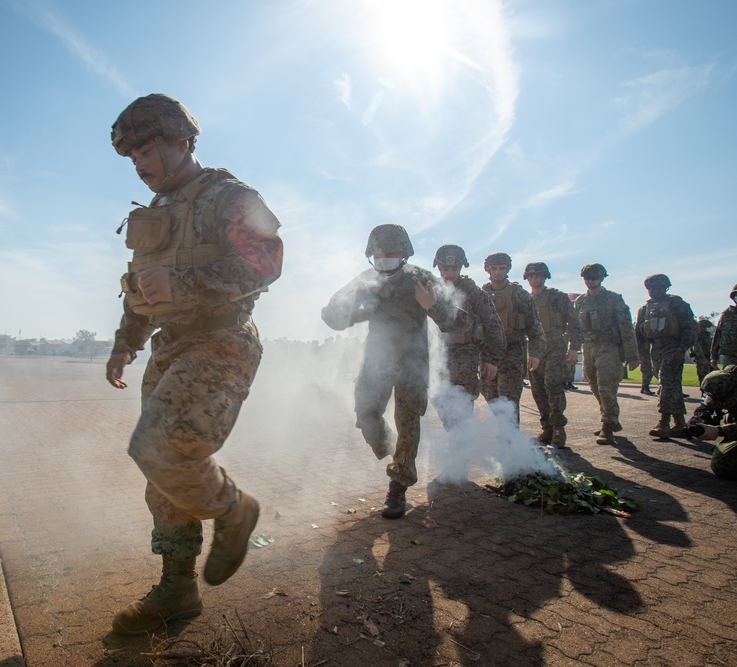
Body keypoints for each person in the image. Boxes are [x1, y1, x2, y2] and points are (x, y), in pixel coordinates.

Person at [104, 94, 284, 635]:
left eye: (148, 149)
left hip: (222, 342)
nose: (141, 164)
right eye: (132, 156)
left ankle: (234, 511)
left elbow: (267, 263)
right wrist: (126, 342)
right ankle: (177, 591)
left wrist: (183, 283)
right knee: (162, 474)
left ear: (183, 142)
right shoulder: (156, 215)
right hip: (170, 347)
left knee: (161, 448)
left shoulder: (228, 197)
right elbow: (140, 289)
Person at [322, 225, 467, 519]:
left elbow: (458, 321)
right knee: (366, 414)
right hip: (378, 358)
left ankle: (398, 486)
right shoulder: (366, 280)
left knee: (408, 421)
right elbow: (330, 315)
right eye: (377, 256)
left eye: (390, 255)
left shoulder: (422, 279)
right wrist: (359, 314)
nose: (383, 261)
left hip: (412, 362)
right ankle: (396, 451)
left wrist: (433, 306)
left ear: (405, 254)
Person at [431, 244, 506, 429]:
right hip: (438, 354)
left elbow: (493, 326)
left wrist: (492, 360)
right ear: (439, 268)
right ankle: (455, 436)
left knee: (462, 402)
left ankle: (461, 446)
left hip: (465, 353)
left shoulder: (474, 293)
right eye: (445, 269)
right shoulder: (432, 290)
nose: (449, 273)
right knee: (439, 397)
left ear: (461, 268)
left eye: (454, 269)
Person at [574, 263, 640, 445]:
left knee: (606, 386)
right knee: (594, 385)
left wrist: (632, 355)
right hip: (589, 347)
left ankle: (608, 425)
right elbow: (576, 328)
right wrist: (572, 348)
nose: (591, 281)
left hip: (609, 346)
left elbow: (626, 327)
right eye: (587, 278)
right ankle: (610, 418)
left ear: (602, 278)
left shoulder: (613, 299)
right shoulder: (581, 301)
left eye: (594, 277)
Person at [523, 262, 583, 448]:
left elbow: (574, 322)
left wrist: (574, 347)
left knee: (553, 386)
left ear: (545, 277)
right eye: (531, 276)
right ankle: (547, 427)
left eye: (538, 276)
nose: (535, 279)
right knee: (538, 389)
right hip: (535, 348)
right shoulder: (525, 298)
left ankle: (558, 429)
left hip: (556, 345)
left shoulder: (557, 297)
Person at [480, 252, 545, 422]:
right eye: (494, 268)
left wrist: (535, 353)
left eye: (502, 268)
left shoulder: (519, 295)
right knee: (490, 395)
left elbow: (534, 326)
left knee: (508, 400)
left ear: (508, 269)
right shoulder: (481, 294)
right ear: (488, 270)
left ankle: (510, 444)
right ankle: (506, 436)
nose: (498, 272)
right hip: (488, 353)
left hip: (513, 351)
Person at [634, 274, 696, 438]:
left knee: (666, 384)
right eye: (650, 288)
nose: (654, 291)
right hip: (656, 349)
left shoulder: (677, 304)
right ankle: (680, 423)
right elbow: (639, 334)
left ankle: (664, 423)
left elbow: (690, 328)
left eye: (658, 288)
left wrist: (681, 350)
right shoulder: (645, 309)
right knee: (671, 386)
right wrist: (639, 355)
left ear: (666, 288)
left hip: (673, 347)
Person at [692, 318, 714, 386]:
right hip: (702, 360)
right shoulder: (699, 336)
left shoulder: (707, 336)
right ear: (702, 327)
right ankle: (704, 393)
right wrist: (703, 360)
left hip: (708, 359)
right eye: (708, 327)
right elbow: (698, 349)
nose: (709, 328)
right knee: (704, 377)